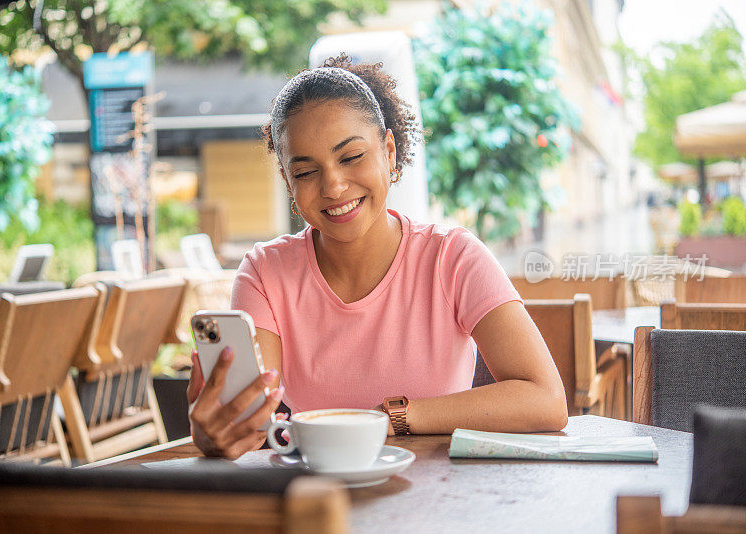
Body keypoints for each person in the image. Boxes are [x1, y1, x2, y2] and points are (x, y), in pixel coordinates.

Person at [188, 55, 568, 459]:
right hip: (320, 505)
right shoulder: (265, 272)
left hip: (438, 500)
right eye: (305, 172)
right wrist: (221, 432)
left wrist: (397, 417)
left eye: (351, 157)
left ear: (388, 151)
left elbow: (545, 399)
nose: (333, 186)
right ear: (287, 180)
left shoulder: (453, 257)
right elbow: (250, 416)